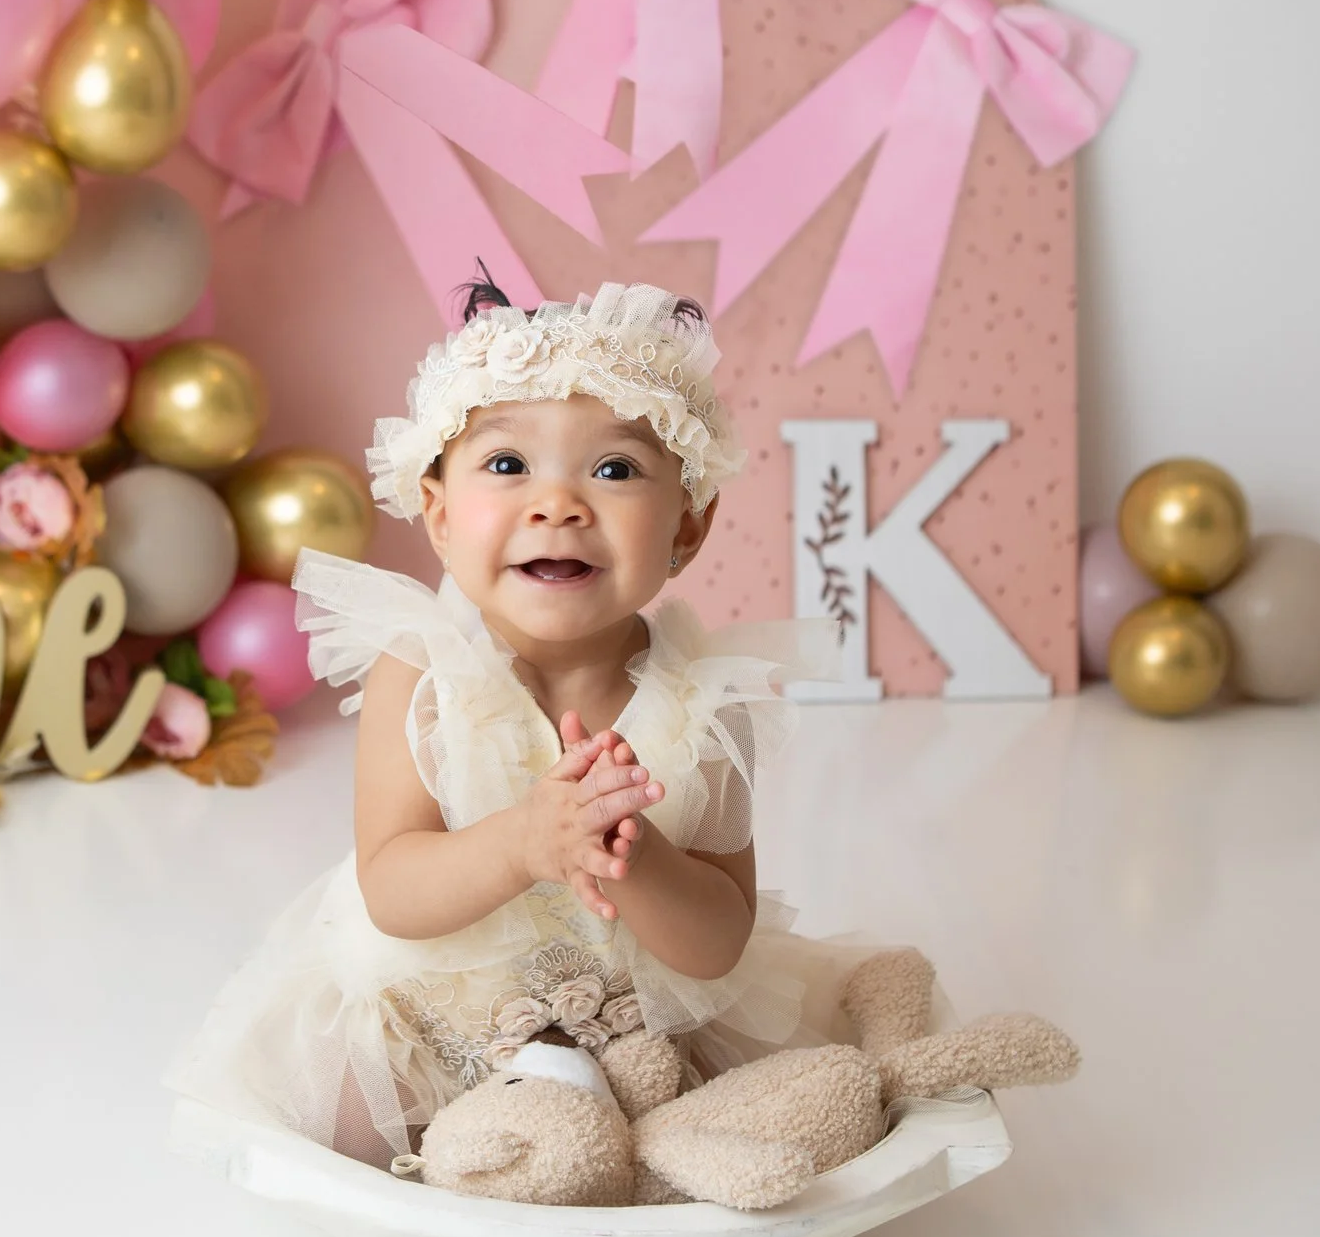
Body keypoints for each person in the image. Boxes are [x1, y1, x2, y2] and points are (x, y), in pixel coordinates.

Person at [172, 281, 858, 1165]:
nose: (559, 504)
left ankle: (604, 1158)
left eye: (614, 469)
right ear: (440, 514)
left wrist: (636, 856)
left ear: (689, 524)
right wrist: (531, 841)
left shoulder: (706, 703)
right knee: (343, 1125)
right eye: (507, 466)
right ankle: (499, 1163)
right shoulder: (422, 673)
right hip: (442, 1020)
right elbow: (393, 887)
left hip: (636, 1036)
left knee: (756, 1114)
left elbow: (719, 940)